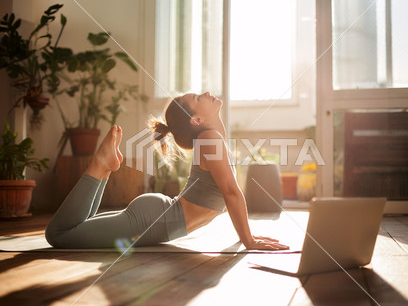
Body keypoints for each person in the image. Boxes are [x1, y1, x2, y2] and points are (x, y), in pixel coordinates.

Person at [45, 92, 289, 251]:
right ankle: (100, 166)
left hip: (157, 216)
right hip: (153, 220)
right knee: (59, 235)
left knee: (75, 228)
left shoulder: (212, 138)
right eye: (197, 98)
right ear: (196, 120)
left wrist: (246, 237)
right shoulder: (210, 139)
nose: (205, 93)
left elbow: (230, 192)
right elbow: (231, 192)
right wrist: (249, 240)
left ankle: (105, 169)